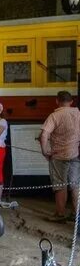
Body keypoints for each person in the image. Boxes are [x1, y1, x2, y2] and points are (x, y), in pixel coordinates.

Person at [39, 91, 80, 222]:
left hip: (58, 156)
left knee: (60, 185)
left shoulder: (55, 116)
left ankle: (60, 214)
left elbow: (44, 135)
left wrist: (45, 151)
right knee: (75, 185)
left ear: (57, 101)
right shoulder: (78, 113)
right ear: (71, 101)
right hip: (76, 155)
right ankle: (76, 214)